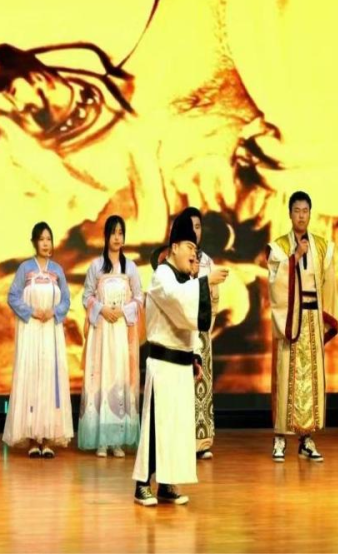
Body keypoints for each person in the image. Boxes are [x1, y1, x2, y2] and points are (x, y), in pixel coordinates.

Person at [133, 213, 229, 506]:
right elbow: (177, 301)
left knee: (176, 428)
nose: (193, 253)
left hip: (182, 363)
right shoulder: (162, 275)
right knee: (157, 425)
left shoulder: (186, 280)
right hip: (163, 364)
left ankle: (167, 483)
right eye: (189, 246)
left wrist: (196, 355)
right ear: (174, 247)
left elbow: (190, 325)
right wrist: (205, 281)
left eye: (195, 249)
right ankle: (142, 483)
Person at [266, 191, 337, 462]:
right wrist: (294, 257)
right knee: (286, 375)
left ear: (310, 213)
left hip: (312, 320)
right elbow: (275, 283)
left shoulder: (322, 247)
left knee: (311, 379)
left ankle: (307, 438)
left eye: (305, 211)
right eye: (297, 211)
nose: (301, 216)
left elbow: (329, 284)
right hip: (291, 319)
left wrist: (326, 318)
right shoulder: (279, 248)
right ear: (289, 214)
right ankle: (280, 438)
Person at [2, 222, 74, 458]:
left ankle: (48, 438)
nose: (46, 243)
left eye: (49, 239)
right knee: (32, 376)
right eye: (42, 239)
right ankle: (33, 438)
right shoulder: (25, 268)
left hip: (51, 331)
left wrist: (53, 312)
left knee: (50, 378)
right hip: (31, 330)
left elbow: (66, 299)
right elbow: (12, 296)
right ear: (34, 242)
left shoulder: (57, 271)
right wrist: (31, 311)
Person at [77, 215, 143, 457]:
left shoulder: (131, 267)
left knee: (120, 378)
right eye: (113, 232)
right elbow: (86, 296)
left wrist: (123, 311)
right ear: (106, 236)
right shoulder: (96, 266)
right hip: (102, 333)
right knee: (102, 377)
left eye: (120, 233)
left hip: (122, 333)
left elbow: (139, 297)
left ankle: (117, 440)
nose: (117, 237)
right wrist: (102, 309)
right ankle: (101, 440)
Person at [180, 207, 219, 460]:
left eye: (198, 227)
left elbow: (215, 298)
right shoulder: (176, 261)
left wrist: (208, 318)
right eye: (190, 227)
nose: (195, 231)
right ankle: (181, 442)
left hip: (202, 330)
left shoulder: (208, 263)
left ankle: (202, 441)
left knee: (201, 386)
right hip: (182, 331)